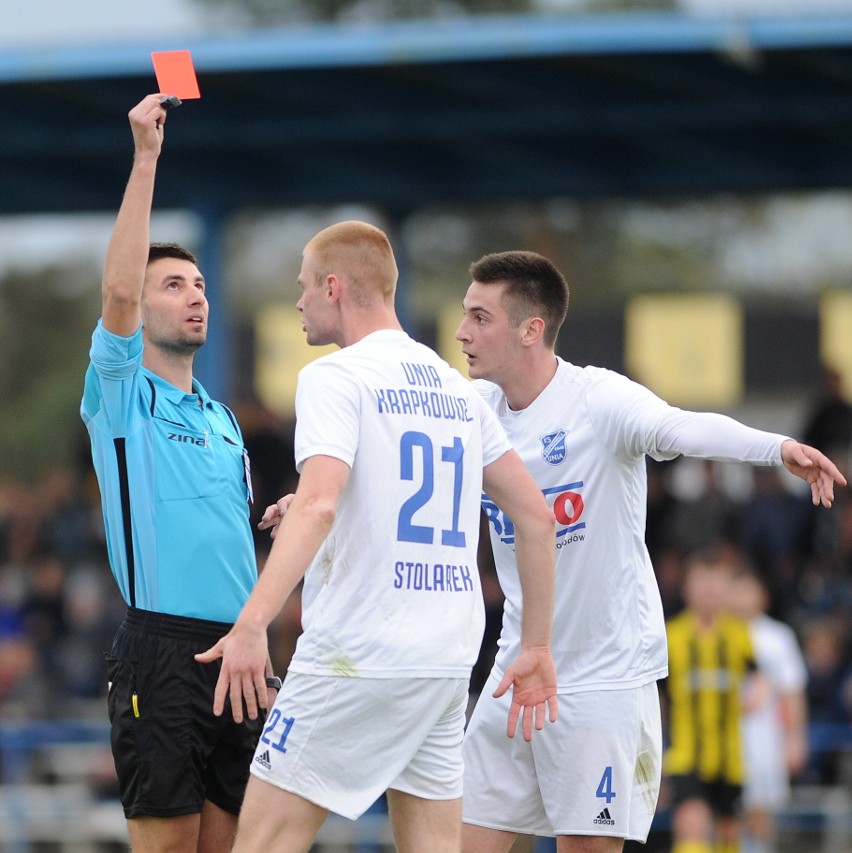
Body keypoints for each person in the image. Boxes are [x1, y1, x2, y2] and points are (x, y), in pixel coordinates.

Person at [453, 250, 847, 853]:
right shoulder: (476, 412)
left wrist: (777, 448)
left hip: (603, 681)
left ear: (531, 329)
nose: (461, 332)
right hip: (518, 672)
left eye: (480, 317)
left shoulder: (599, 401)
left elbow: (683, 428)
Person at [195, 221, 559, 853]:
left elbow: (319, 506)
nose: (299, 301)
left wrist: (253, 623)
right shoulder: (456, 388)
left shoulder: (334, 376)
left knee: (258, 844)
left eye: (304, 286)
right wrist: (537, 645)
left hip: (358, 653)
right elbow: (535, 516)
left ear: (334, 287)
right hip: (445, 655)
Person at [80, 94, 270, 853]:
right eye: (174, 284)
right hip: (160, 652)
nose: (194, 294)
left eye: (198, 284)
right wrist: (147, 158)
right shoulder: (123, 394)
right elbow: (119, 292)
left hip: (241, 652)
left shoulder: (224, 419)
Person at [664, 549, 761, 853]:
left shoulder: (738, 635)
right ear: (687, 590)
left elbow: (757, 677)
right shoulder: (672, 636)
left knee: (728, 832)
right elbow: (658, 694)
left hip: (729, 755)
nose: (709, 593)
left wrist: (757, 694)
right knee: (691, 821)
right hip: (685, 752)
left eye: (715, 586)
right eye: (702, 585)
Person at [728, 569, 808, 853]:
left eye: (747, 590)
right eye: (735, 590)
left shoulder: (777, 637)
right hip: (726, 738)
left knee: (761, 810)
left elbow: (792, 691)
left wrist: (795, 739)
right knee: (728, 813)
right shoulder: (719, 633)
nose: (740, 598)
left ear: (763, 596)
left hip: (764, 739)